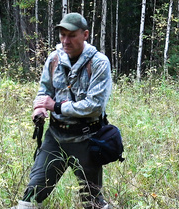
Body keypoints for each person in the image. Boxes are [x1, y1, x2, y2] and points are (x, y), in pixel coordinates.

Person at [13, 13, 112, 209]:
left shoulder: (99, 62)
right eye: (62, 35)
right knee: (30, 198)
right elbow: (44, 91)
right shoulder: (54, 59)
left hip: (86, 139)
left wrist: (56, 106)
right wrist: (39, 108)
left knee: (92, 203)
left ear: (85, 34)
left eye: (72, 35)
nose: (65, 40)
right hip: (55, 138)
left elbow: (95, 106)